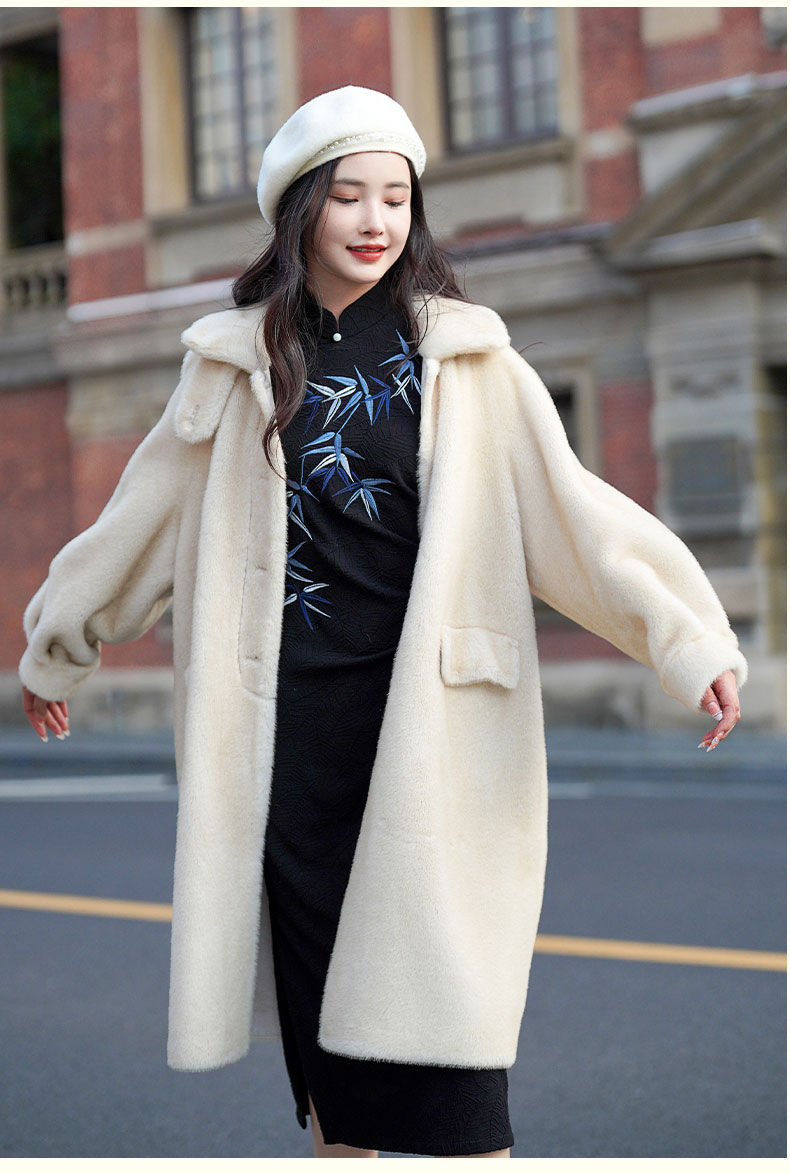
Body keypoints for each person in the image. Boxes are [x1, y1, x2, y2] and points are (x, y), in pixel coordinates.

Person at [19, 85, 746, 1159]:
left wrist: (688, 638)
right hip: (289, 748)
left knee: (459, 1081)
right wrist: (58, 644)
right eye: (349, 195)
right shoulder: (235, 362)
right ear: (300, 207)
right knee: (338, 1085)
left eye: (396, 198)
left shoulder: (471, 363)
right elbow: (143, 517)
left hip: (431, 735)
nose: (375, 221)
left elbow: (575, 517)